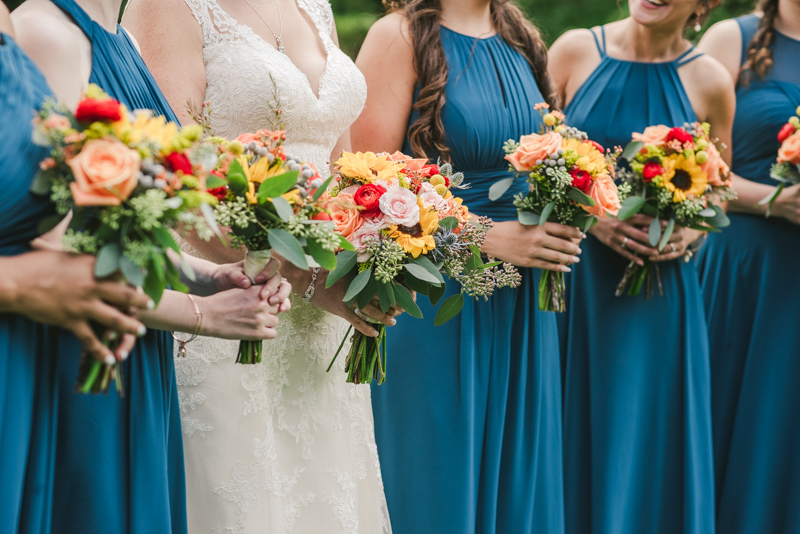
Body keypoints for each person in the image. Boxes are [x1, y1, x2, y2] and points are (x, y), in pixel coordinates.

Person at [11, 0, 290, 531]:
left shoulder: (120, 38)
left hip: (138, 340)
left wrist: (206, 277)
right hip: (78, 340)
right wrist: (200, 315)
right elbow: (51, 244)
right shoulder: (45, 33)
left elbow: (124, 225)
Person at [124, 0, 394, 531]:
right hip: (229, 301)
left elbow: (343, 168)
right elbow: (179, 185)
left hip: (322, 319)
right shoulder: (169, 7)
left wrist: (376, 256)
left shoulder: (315, 5)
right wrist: (309, 279)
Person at [352, 1, 583, 532]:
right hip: (436, 297)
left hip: (523, 301)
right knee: (435, 482)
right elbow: (368, 191)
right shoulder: (399, 37)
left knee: (518, 482)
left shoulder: (519, 37)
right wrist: (482, 235)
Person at [547, 0, 735, 532]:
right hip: (574, 281)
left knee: (643, 434)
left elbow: (719, 191)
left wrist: (689, 233)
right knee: (568, 428)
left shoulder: (711, 79)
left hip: (659, 297)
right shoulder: (575, 51)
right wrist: (595, 218)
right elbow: (537, 161)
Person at [697, 1, 800, 531]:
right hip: (742, 270)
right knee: (726, 417)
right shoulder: (729, 40)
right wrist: (774, 201)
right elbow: (689, 170)